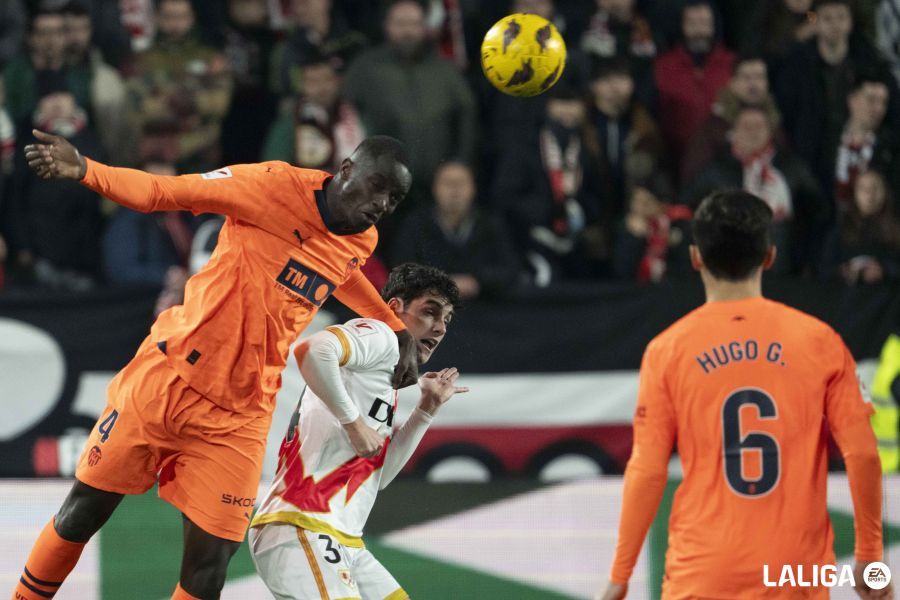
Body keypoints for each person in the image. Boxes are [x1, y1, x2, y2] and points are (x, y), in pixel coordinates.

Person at [12, 130, 422, 600]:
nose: (383, 204)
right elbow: (163, 192)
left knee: (209, 569)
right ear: (347, 169)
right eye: (378, 187)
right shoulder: (269, 186)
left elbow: (340, 275)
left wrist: (392, 325)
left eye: (395, 198)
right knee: (82, 513)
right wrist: (86, 170)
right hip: (167, 380)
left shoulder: (360, 238)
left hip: (240, 415)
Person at [599, 190, 889, 599]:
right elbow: (862, 455)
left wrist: (620, 574)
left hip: (702, 574)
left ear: (695, 257)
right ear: (769, 256)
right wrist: (870, 556)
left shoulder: (667, 350)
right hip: (794, 577)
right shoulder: (820, 341)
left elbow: (647, 470)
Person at [250, 263, 466, 600]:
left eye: (447, 320)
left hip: (342, 536)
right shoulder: (380, 335)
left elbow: (379, 478)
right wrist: (353, 422)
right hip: (303, 524)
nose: (439, 328)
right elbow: (312, 349)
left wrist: (426, 410)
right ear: (395, 308)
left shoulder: (383, 373)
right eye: (430, 312)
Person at [392, 161, 521, 300]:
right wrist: (441, 284)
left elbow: (510, 269)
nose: (455, 190)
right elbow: (402, 269)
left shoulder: (491, 224)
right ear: (434, 188)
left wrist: (477, 282)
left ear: (474, 188)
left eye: (461, 183)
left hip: (485, 306)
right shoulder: (416, 224)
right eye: (447, 183)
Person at [653, 0, 734, 167]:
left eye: (704, 22)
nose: (699, 30)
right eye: (692, 23)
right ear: (682, 26)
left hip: (725, 158)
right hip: (673, 158)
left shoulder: (732, 64)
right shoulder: (663, 66)